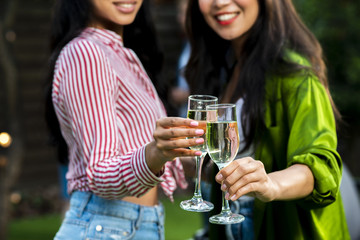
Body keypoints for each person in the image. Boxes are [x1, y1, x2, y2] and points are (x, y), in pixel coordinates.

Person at [184, 0, 350, 239]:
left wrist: (270, 184)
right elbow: (227, 166)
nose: (219, 2)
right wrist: (174, 158)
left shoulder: (295, 74)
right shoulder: (227, 67)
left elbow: (321, 167)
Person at [44, 0, 206, 239]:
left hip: (135, 224)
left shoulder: (123, 53)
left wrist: (216, 164)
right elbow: (100, 173)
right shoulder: (86, 53)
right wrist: (156, 152)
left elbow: (140, 153)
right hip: (106, 226)